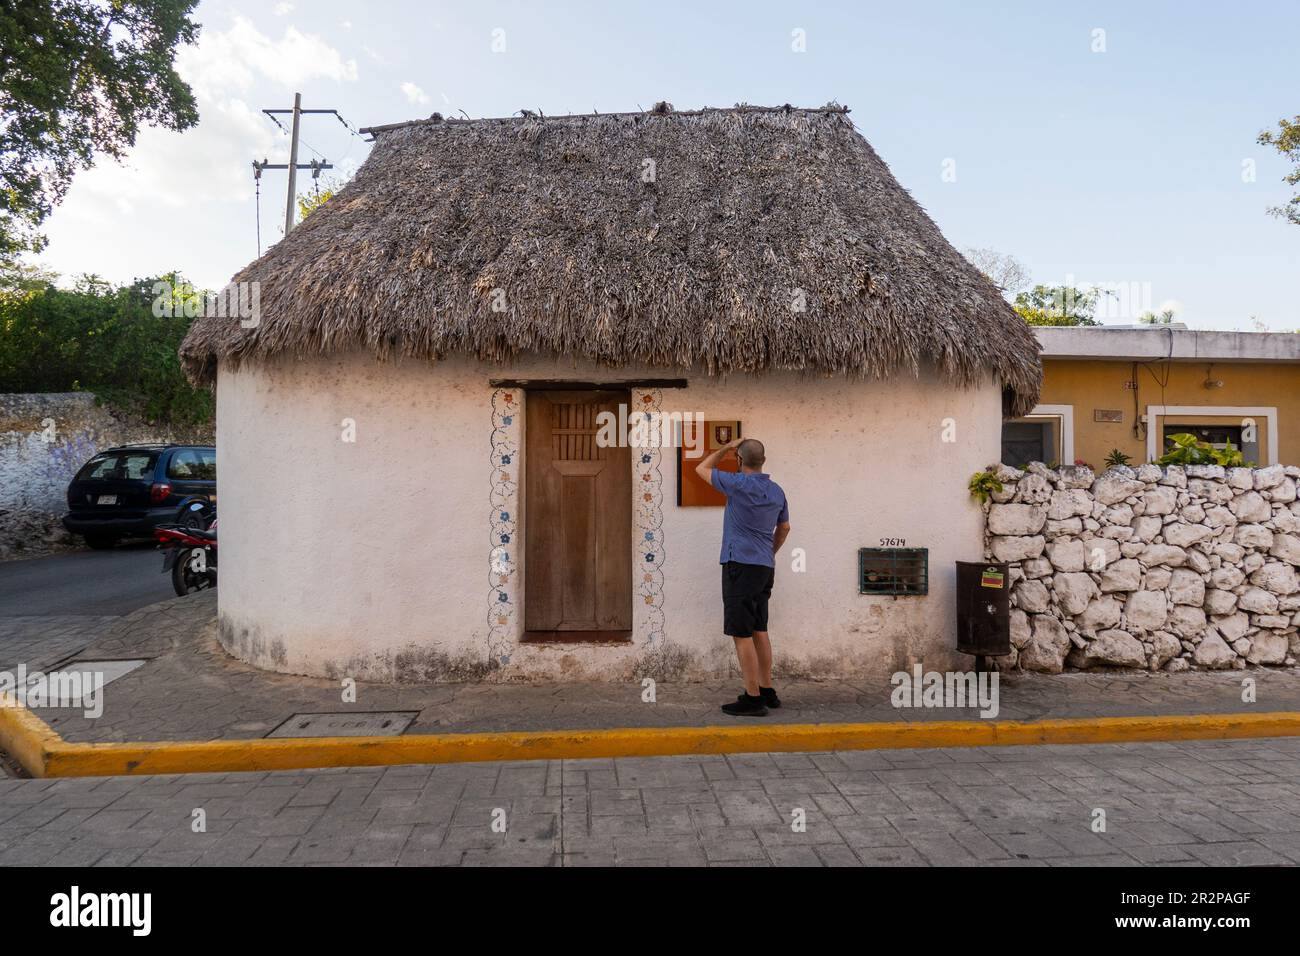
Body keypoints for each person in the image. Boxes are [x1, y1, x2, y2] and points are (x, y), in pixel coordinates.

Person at [694, 436, 791, 716]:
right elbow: (784, 528)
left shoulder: (737, 484)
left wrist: (724, 448)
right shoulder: (777, 491)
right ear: (763, 461)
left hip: (740, 564)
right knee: (760, 629)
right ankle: (767, 689)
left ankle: (752, 698)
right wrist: (769, 553)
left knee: (741, 633)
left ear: (739, 461)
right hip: (764, 567)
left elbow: (700, 469)